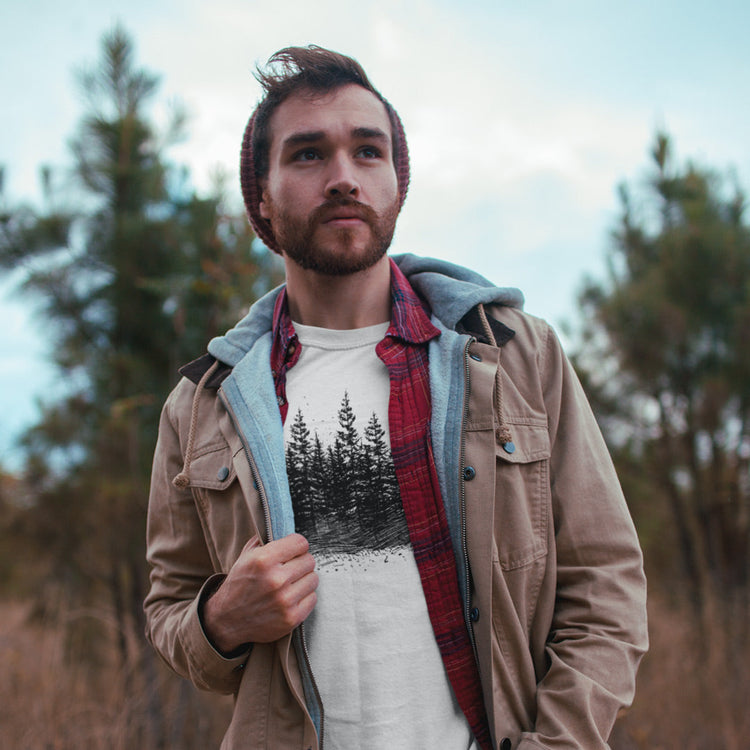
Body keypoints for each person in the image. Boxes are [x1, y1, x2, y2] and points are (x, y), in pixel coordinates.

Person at [144, 45, 648, 750]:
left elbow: (606, 589)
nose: (344, 178)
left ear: (397, 182)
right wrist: (223, 619)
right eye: (308, 155)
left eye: (368, 152)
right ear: (261, 195)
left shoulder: (515, 357)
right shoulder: (204, 405)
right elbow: (169, 605)